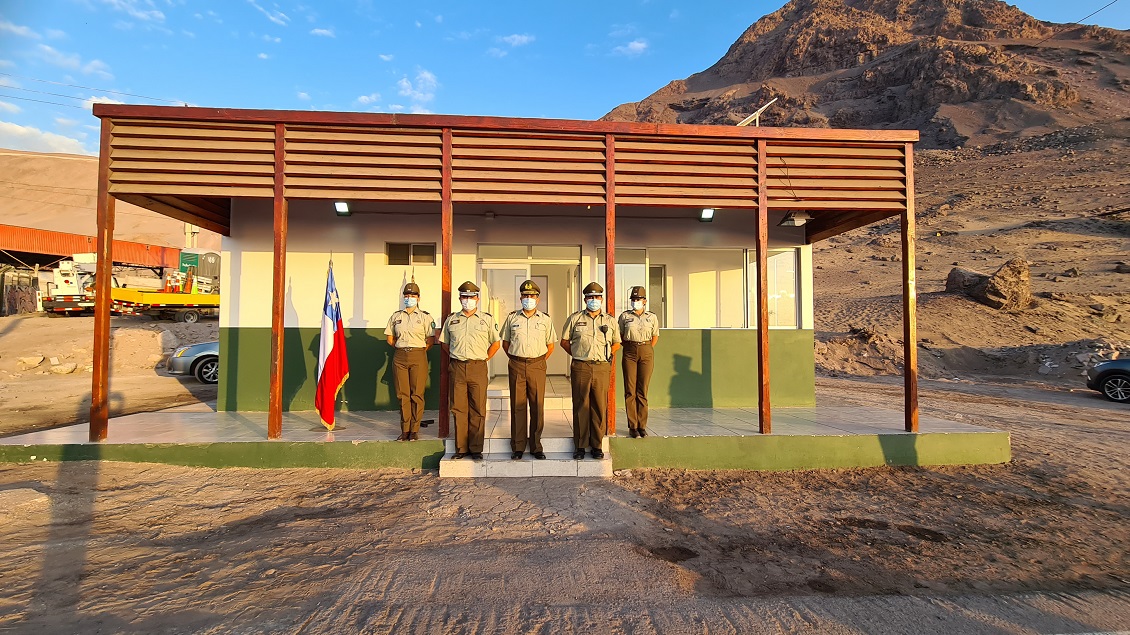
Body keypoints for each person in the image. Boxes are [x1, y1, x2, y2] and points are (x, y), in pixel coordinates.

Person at [439, 281, 500, 460]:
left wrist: (482, 358)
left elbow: (495, 344)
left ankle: (476, 448)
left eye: (471, 297)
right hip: (457, 367)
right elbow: (445, 343)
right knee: (458, 408)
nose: (468, 300)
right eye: (464, 297)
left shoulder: (486, 319)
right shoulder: (452, 319)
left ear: (477, 299)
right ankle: (461, 448)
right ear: (460, 299)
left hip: (478, 367)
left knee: (478, 408)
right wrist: (458, 356)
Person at [560, 281, 621, 460]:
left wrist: (607, 353)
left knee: (599, 406)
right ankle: (579, 445)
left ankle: (596, 445)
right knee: (581, 406)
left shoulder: (610, 320)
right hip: (581, 367)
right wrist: (578, 354)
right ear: (585, 299)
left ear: (601, 299)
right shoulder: (575, 318)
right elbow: (564, 341)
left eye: (597, 297)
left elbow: (617, 342)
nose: (594, 300)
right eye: (590, 297)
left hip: (602, 367)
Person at [500, 279, 557, 460]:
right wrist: (518, 358)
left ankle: (535, 446)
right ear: (520, 298)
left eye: (532, 296)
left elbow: (550, 345)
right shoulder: (512, 318)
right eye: (525, 296)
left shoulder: (545, 319)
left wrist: (536, 361)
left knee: (537, 406)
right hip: (516, 364)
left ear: (538, 299)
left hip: (537, 365)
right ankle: (518, 446)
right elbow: (505, 343)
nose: (528, 298)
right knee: (517, 406)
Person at [385, 281, 435, 441]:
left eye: (412, 295)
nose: (409, 298)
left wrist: (416, 350)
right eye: (407, 295)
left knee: (417, 394)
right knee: (402, 394)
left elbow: (430, 339)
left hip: (418, 355)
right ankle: (404, 429)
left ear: (418, 298)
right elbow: (390, 338)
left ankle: (414, 429)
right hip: (400, 356)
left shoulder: (425, 317)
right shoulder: (396, 316)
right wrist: (402, 347)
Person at [619, 285, 660, 438]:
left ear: (645, 301)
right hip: (629, 351)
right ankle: (632, 426)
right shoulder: (624, 316)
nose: (636, 301)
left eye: (639, 299)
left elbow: (655, 336)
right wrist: (632, 346)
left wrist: (645, 347)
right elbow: (621, 336)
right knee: (630, 389)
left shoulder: (652, 317)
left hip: (646, 350)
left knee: (642, 390)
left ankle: (642, 425)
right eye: (634, 299)